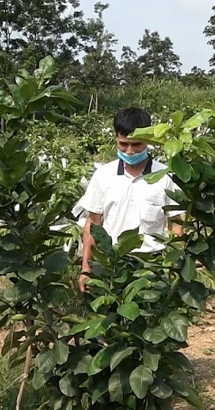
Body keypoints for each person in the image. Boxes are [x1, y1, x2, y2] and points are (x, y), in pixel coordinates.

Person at [78, 107, 184, 292]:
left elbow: (176, 225)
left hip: (153, 263)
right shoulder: (104, 176)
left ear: (149, 141)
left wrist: (174, 266)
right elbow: (93, 224)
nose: (130, 151)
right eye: (123, 144)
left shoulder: (166, 177)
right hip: (112, 262)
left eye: (137, 145)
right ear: (116, 139)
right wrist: (86, 268)